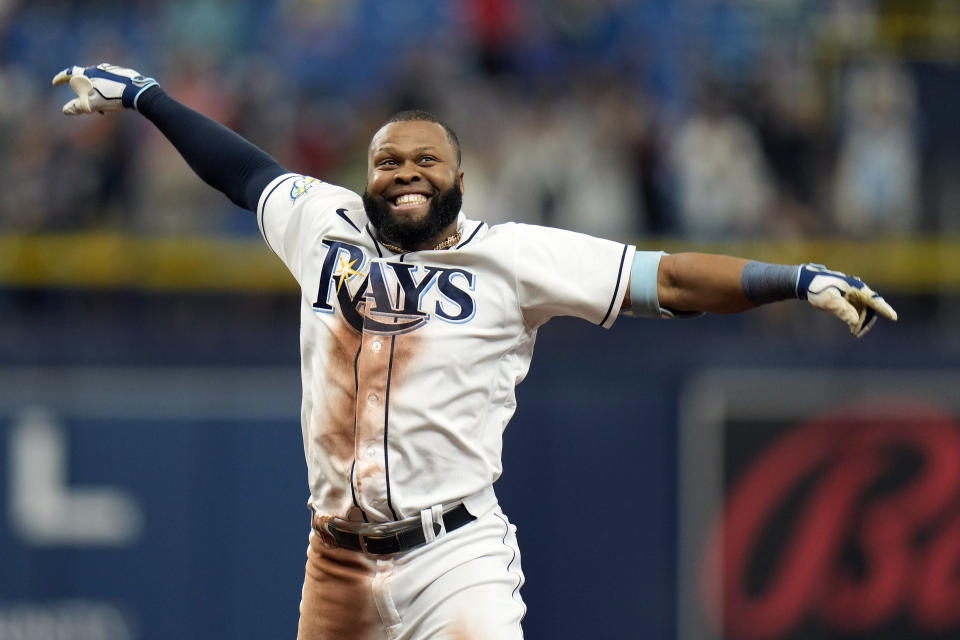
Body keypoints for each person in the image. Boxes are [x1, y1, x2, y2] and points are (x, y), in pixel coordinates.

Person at [53, 64, 897, 640]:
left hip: (453, 553)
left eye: (427, 160)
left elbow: (665, 279)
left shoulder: (510, 257)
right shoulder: (326, 224)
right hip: (336, 558)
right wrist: (147, 97)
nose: (405, 173)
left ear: (460, 179)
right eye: (388, 161)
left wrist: (791, 277)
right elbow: (241, 170)